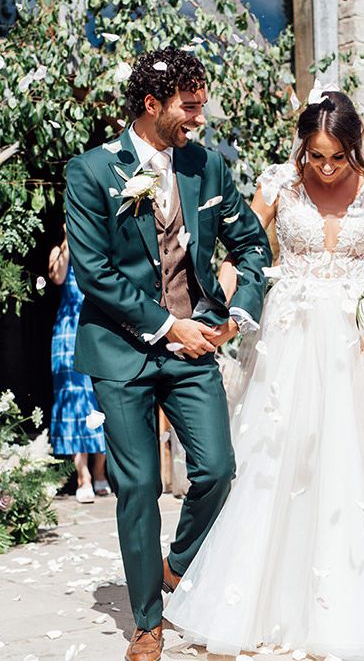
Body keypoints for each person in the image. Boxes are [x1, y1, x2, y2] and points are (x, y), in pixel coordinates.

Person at [164, 90, 364, 660]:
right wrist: (226, 300)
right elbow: (243, 249)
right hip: (292, 333)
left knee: (352, 455)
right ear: (302, 145)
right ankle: (259, 596)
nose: (326, 167)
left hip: (356, 333)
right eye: (316, 154)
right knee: (280, 454)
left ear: (353, 146)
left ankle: (343, 599)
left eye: (336, 156)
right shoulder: (279, 182)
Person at [64, 48, 271, 661]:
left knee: (216, 470)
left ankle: (174, 566)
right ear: (152, 104)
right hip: (120, 351)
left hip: (193, 348)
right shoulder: (91, 171)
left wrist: (233, 314)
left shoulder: (206, 166)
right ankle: (147, 622)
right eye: (189, 106)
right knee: (139, 485)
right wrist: (167, 326)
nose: (199, 119)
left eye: (202, 105)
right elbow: (95, 274)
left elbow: (251, 244)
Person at [48, 225, 108, 504]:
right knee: (73, 398)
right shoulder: (61, 251)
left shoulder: (99, 248)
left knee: (100, 398)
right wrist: (68, 239)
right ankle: (82, 475)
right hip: (69, 334)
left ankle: (100, 472)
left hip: (98, 329)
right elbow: (57, 277)